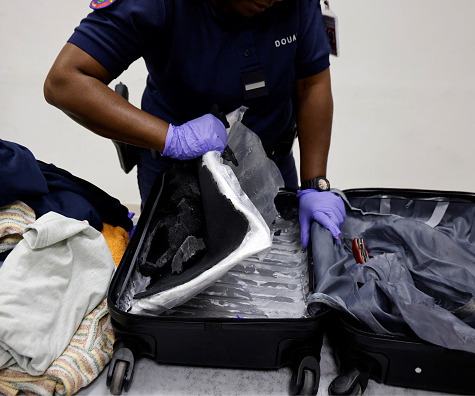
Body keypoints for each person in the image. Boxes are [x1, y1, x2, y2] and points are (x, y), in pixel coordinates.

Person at [44, 0, 345, 247]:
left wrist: (314, 185)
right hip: (180, 176)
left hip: (273, 168)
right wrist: (174, 139)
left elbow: (312, 83)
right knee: (181, 293)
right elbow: (65, 81)